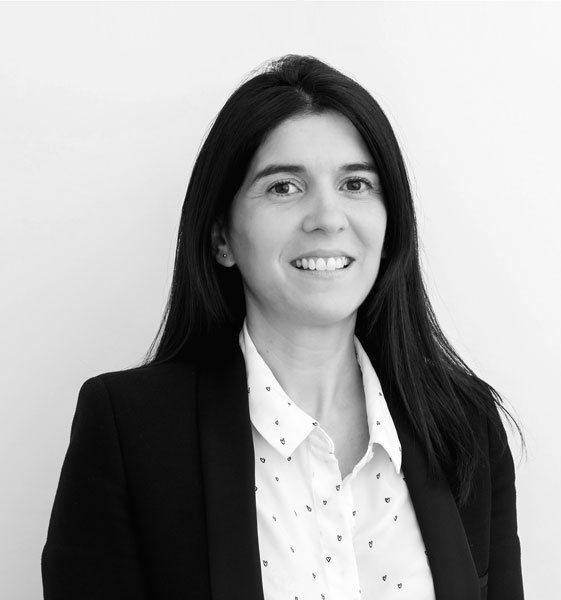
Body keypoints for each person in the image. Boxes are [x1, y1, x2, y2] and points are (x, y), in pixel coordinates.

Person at [42, 55, 524, 600]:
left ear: (391, 226)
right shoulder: (131, 431)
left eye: (356, 184)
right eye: (284, 187)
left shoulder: (466, 426)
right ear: (221, 236)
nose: (328, 218)